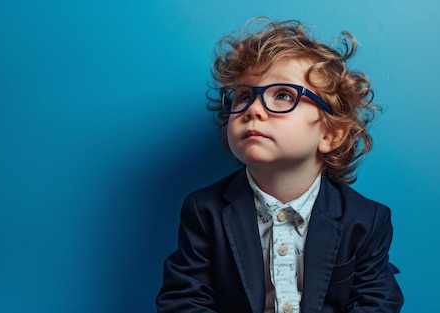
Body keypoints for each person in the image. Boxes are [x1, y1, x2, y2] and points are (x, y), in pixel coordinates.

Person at [156, 17, 403, 313]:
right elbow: (184, 300)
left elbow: (377, 302)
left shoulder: (366, 220)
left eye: (283, 95)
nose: (254, 109)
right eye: (244, 97)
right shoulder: (205, 210)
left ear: (330, 134)